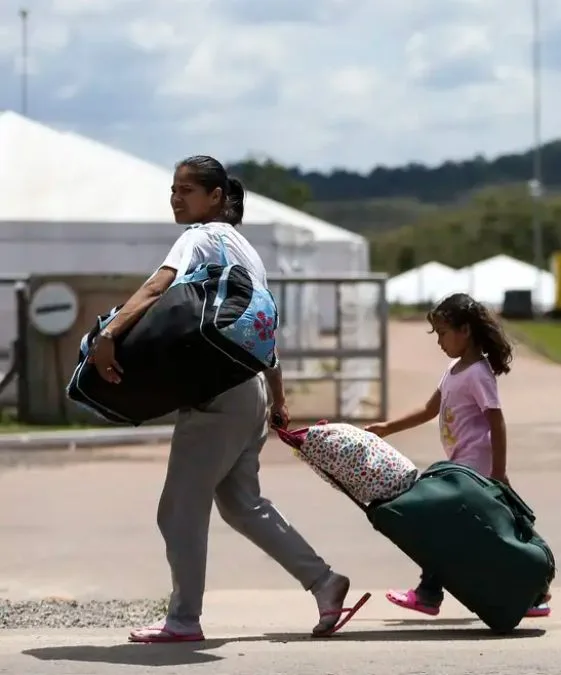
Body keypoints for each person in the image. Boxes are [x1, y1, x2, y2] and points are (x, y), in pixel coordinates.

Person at [88, 155, 367, 643]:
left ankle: (183, 620)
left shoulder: (199, 237)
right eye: (173, 190)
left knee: (178, 509)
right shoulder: (247, 252)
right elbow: (261, 329)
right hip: (249, 389)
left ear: (216, 197)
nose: (176, 199)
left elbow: (158, 287)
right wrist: (276, 397)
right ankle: (324, 582)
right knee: (241, 504)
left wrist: (108, 334)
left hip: (217, 394)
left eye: (187, 191)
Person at [364, 292, 551, 618]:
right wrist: (387, 427)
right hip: (460, 468)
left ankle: (428, 593)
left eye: (443, 333)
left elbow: (497, 421)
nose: (439, 341)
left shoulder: (479, 373)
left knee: (444, 529)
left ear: (465, 330)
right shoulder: (453, 369)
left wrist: (499, 473)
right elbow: (428, 409)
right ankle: (533, 596)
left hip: (475, 471)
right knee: (479, 536)